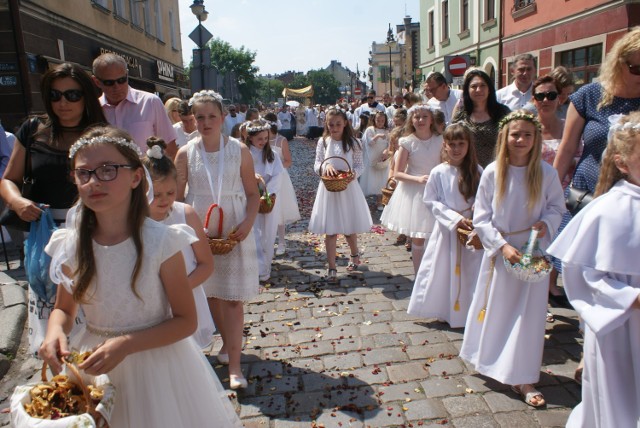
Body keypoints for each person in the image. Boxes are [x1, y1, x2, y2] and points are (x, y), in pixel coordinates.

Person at [39, 126, 242, 427]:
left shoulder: (161, 242)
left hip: (156, 365)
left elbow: (186, 320)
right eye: (84, 173)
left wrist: (126, 344)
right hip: (95, 367)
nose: (94, 181)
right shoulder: (71, 245)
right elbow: (63, 309)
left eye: (108, 170)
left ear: (136, 177)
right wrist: (54, 331)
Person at [459, 111, 565, 408]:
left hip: (532, 253)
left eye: (527, 135)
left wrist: (547, 223)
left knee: (528, 316)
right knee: (497, 309)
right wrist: (502, 246)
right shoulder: (493, 172)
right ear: (505, 137)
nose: (521, 140)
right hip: (502, 252)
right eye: (515, 135)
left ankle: (523, 376)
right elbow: (481, 216)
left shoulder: (546, 173)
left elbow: (557, 206)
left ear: (536, 139)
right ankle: (490, 359)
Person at [0, 62, 106, 355]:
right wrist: (18, 202)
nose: (63, 103)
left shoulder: (102, 134)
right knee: (54, 315)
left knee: (93, 316)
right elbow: (9, 179)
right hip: (44, 236)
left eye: (72, 95)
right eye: (55, 95)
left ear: (86, 96)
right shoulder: (34, 130)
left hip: (93, 234)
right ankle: (61, 386)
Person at [547, 112, 640, 428]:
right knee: (620, 395)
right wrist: (629, 297)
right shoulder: (608, 210)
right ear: (623, 163)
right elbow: (581, 272)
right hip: (620, 325)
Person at [175, 90, 259, 390]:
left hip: (234, 225)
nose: (206, 122)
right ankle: (226, 342)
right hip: (200, 227)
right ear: (191, 119)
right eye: (200, 117)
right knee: (210, 295)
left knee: (232, 299)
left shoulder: (239, 150)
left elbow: (252, 194)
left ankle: (235, 366)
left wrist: (248, 221)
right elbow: (175, 197)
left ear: (223, 118)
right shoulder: (185, 153)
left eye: (212, 116)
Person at [142, 136, 215, 350]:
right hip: (150, 305)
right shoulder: (134, 222)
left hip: (186, 296)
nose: (164, 200)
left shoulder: (186, 215)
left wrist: (180, 289)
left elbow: (206, 264)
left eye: (171, 193)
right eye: (156, 195)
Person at [407, 122, 483, 328]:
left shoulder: (477, 170)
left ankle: (470, 310)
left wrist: (477, 211)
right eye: (452, 144)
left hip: (471, 230)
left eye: (461, 144)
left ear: (468, 145)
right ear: (445, 146)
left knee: (471, 270)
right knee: (445, 269)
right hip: (447, 231)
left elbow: (485, 196)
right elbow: (431, 201)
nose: (456, 149)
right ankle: (445, 309)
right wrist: (455, 219)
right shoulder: (438, 172)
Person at [308, 108, 372, 284]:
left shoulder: (354, 143)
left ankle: (354, 254)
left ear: (345, 123)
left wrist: (352, 175)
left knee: (349, 228)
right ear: (326, 125)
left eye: (338, 124)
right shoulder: (324, 142)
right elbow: (317, 163)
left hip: (348, 188)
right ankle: (332, 266)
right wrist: (325, 167)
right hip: (328, 189)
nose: (334, 127)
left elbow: (360, 166)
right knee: (331, 230)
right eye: (331, 124)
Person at [380, 104, 443, 273]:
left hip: (437, 191)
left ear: (431, 120)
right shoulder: (407, 143)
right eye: (416, 117)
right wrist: (418, 179)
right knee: (418, 237)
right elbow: (398, 173)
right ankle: (419, 274)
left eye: (424, 117)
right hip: (415, 193)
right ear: (411, 121)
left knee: (436, 235)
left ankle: (434, 274)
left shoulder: (441, 140)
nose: (420, 120)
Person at [92, 53, 177, 158]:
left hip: (146, 174)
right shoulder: (93, 110)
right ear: (97, 82)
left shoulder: (150, 102)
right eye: (109, 83)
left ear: (127, 74)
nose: (117, 87)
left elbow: (170, 150)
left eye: (122, 80)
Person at [244, 119, 283, 282]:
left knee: (267, 232)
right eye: (259, 139)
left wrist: (269, 192)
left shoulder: (271, 154)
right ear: (250, 137)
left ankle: (265, 267)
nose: (263, 142)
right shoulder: (244, 153)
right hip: (247, 198)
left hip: (267, 198)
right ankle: (253, 267)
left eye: (266, 139)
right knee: (252, 234)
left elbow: (278, 174)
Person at [451, 68, 511, 167]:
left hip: (498, 170)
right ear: (467, 90)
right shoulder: (460, 115)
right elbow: (452, 141)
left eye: (483, 85)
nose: (478, 90)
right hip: (470, 172)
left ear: (489, 89)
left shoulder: (503, 113)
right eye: (474, 86)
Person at [264, 112, 300, 255]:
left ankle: (282, 242)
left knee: (279, 208)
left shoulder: (281, 140)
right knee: (266, 209)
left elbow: (288, 161)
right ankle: (267, 241)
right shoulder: (262, 141)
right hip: (265, 177)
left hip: (280, 177)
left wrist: (276, 169)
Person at [359, 110, 390, 210]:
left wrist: (386, 151)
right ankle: (364, 201)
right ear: (374, 120)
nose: (380, 122)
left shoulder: (386, 131)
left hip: (382, 157)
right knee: (371, 179)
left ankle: (379, 201)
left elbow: (389, 143)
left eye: (382, 120)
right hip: (372, 157)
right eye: (378, 120)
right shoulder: (370, 130)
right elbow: (370, 143)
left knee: (381, 179)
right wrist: (377, 136)